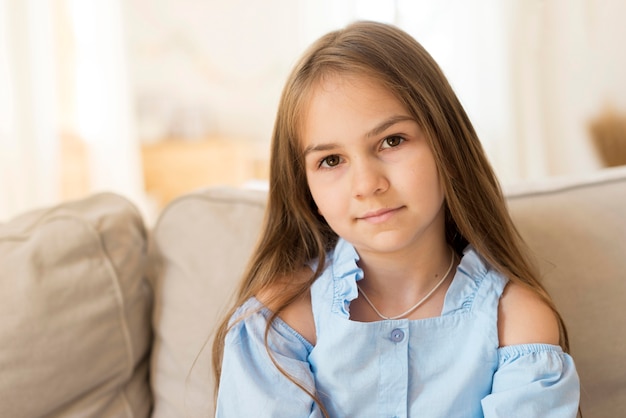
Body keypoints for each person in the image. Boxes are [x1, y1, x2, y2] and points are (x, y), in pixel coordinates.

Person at [212, 21, 580, 417]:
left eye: (392, 141)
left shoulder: (515, 321)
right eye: (331, 160)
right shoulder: (278, 325)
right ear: (307, 190)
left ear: (447, 146)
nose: (368, 184)